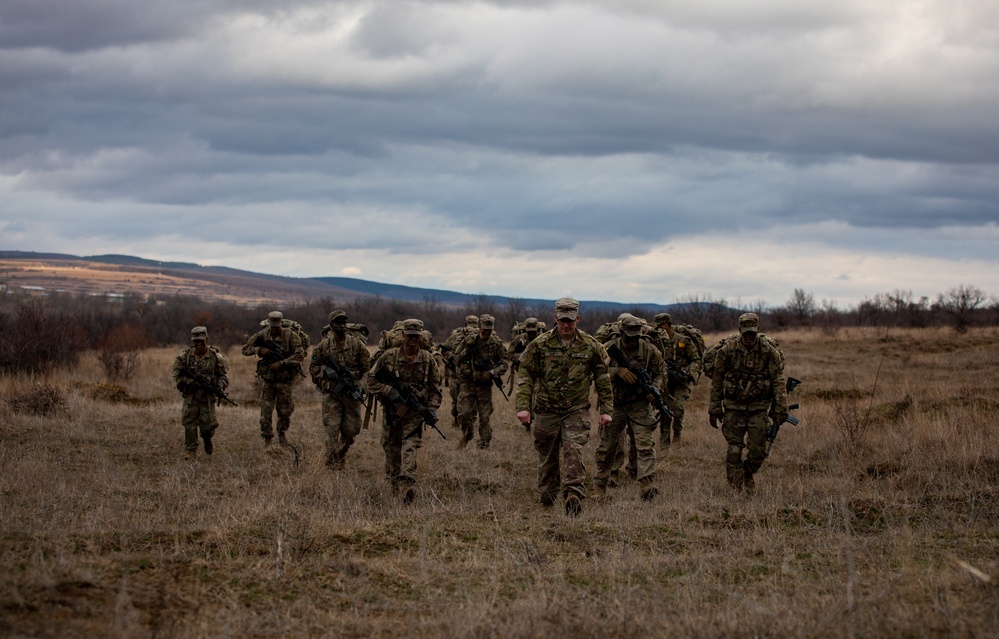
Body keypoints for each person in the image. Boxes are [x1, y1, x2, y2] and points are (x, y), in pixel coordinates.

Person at [516, 297, 613, 516]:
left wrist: (606, 410)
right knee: (548, 454)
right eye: (562, 321)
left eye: (570, 321)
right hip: (547, 410)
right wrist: (523, 406)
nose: (566, 325)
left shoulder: (591, 346)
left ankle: (573, 494)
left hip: (576, 409)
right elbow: (525, 376)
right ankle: (549, 498)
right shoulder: (540, 345)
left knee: (573, 449)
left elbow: (603, 379)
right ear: (555, 318)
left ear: (578, 318)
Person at [708, 313, 787, 494]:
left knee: (758, 450)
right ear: (740, 331)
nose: (749, 337)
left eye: (752, 333)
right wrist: (714, 408)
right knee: (734, 450)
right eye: (746, 333)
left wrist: (781, 407)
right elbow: (717, 380)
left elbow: (778, 380)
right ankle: (737, 491)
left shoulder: (768, 351)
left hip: (758, 407)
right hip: (734, 407)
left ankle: (748, 472)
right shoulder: (727, 350)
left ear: (758, 330)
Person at [365, 318, 443, 504]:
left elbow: (435, 389)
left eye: (416, 337)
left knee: (410, 447)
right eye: (409, 336)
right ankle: (392, 483)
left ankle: (407, 484)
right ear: (403, 336)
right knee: (391, 449)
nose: (412, 340)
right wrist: (389, 391)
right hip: (392, 413)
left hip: (415, 414)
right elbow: (371, 380)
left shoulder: (427, 359)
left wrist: (431, 409)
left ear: (420, 337)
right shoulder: (389, 357)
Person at [596, 315, 666, 501]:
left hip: (639, 404)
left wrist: (655, 391)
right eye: (629, 337)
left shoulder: (650, 351)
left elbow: (660, 373)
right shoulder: (609, 349)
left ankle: (646, 484)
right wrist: (617, 372)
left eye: (636, 337)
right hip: (615, 404)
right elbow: (595, 371)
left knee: (644, 444)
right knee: (607, 446)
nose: (633, 341)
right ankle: (600, 485)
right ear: (621, 333)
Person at [309, 310, 371, 469]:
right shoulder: (324, 345)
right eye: (338, 323)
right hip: (332, 394)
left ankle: (341, 453)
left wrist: (360, 386)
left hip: (352, 395)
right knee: (331, 429)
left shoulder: (357, 345)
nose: (342, 325)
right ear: (331, 326)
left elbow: (367, 370)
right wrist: (326, 372)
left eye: (344, 322)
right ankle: (331, 464)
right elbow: (313, 367)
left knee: (352, 430)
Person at [241, 310, 305, 446]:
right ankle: (267, 439)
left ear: (281, 324)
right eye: (273, 327)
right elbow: (245, 349)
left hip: (285, 381)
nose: (275, 330)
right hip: (268, 381)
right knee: (265, 412)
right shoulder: (262, 335)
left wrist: (282, 363)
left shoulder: (290, 336)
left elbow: (300, 355)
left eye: (277, 327)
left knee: (285, 411)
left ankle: (282, 435)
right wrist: (259, 350)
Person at [171, 326, 229, 459]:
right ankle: (191, 450)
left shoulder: (216, 358)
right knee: (189, 423)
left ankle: (207, 440)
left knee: (207, 427)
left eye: (201, 342)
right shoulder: (184, 357)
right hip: (191, 396)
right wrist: (188, 381)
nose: (198, 345)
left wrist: (219, 386)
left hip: (207, 398)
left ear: (206, 340)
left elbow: (223, 377)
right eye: (196, 342)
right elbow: (176, 375)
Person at [453, 313, 509, 449]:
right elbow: (457, 359)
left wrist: (491, 373)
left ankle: (484, 443)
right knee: (464, 413)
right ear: (479, 327)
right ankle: (468, 434)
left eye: (489, 330)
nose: (487, 333)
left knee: (485, 416)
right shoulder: (469, 340)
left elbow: (504, 363)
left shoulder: (496, 344)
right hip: (468, 382)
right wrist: (467, 348)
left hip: (484, 385)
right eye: (484, 330)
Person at [652, 312, 702, 447]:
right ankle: (664, 441)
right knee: (664, 410)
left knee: (678, 409)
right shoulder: (656, 342)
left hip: (681, 380)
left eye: (660, 327)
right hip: (665, 382)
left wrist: (689, 373)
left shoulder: (683, 340)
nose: (658, 330)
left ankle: (677, 433)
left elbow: (695, 359)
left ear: (666, 325)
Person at [442, 315, 479, 423]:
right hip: (456, 372)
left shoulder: (479, 337)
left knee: (467, 398)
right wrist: (453, 358)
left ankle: (467, 419)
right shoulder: (456, 335)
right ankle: (457, 418)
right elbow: (444, 349)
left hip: (469, 374)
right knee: (457, 398)